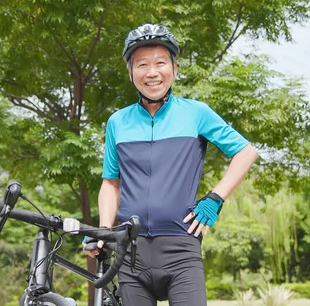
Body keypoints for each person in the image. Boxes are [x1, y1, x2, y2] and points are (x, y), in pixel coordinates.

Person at [84, 23, 257, 306]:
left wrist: (215, 198)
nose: (152, 73)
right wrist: (104, 229)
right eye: (141, 65)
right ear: (131, 73)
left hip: (181, 250)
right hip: (130, 254)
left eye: (160, 63)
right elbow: (110, 183)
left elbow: (246, 152)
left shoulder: (196, 113)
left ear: (174, 69)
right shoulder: (118, 122)